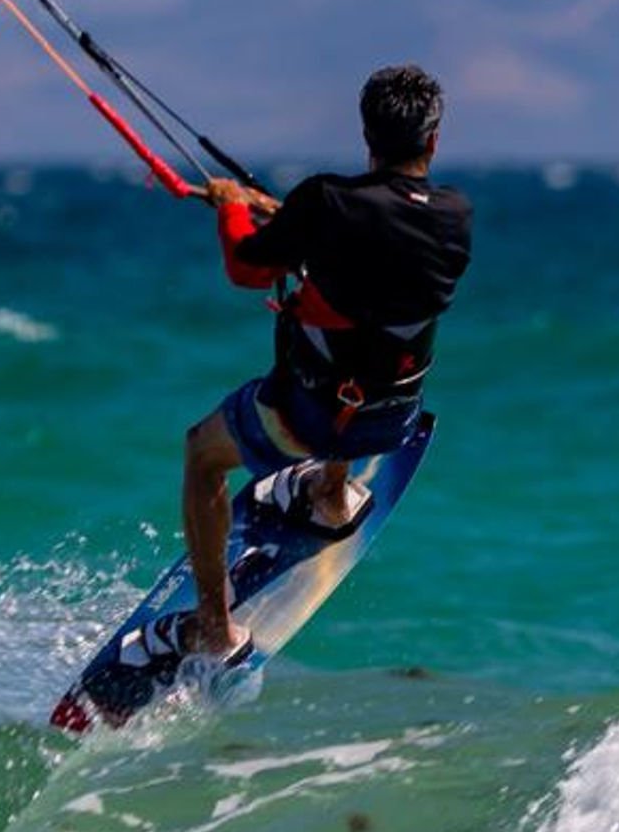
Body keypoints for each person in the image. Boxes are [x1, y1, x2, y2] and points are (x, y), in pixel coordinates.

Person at [137, 63, 473, 667]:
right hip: (391, 421)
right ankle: (331, 492)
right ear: (433, 140)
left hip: (309, 420)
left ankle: (214, 629)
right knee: (372, 343)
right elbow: (378, 245)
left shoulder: (326, 202)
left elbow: (245, 267)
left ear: (367, 138)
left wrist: (233, 207)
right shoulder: (455, 215)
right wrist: (291, 219)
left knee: (202, 454)